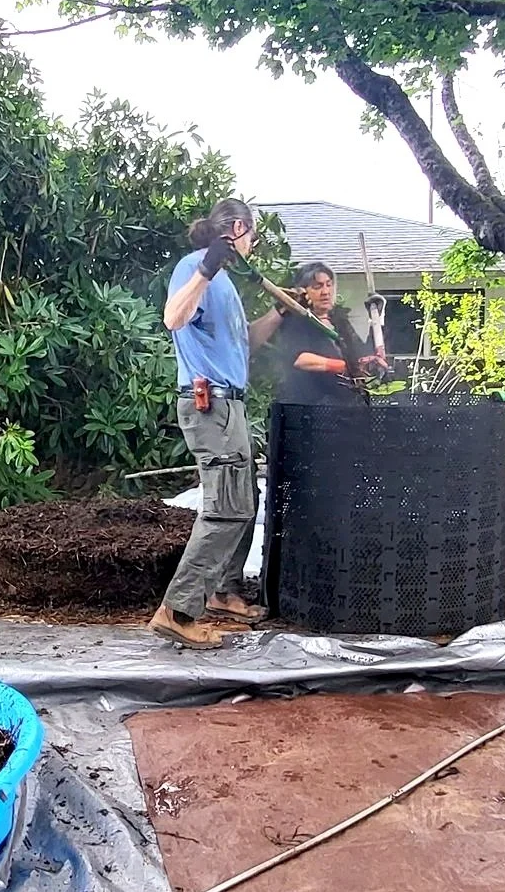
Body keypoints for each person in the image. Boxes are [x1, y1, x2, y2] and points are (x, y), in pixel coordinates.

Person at [150, 198, 269, 650]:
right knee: (225, 507)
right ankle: (178, 611)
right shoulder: (196, 267)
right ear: (238, 228)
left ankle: (222, 591)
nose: (252, 245)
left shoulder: (226, 285)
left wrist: (283, 311)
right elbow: (173, 317)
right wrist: (206, 268)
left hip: (230, 406)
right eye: (252, 236)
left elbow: (244, 343)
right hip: (210, 405)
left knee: (244, 500)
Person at [265, 262, 383, 406]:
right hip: (311, 406)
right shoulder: (297, 320)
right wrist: (343, 366)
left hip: (346, 407)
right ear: (303, 292)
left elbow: (359, 356)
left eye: (329, 284)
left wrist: (376, 319)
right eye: (317, 286)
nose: (325, 292)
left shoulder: (339, 322)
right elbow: (299, 359)